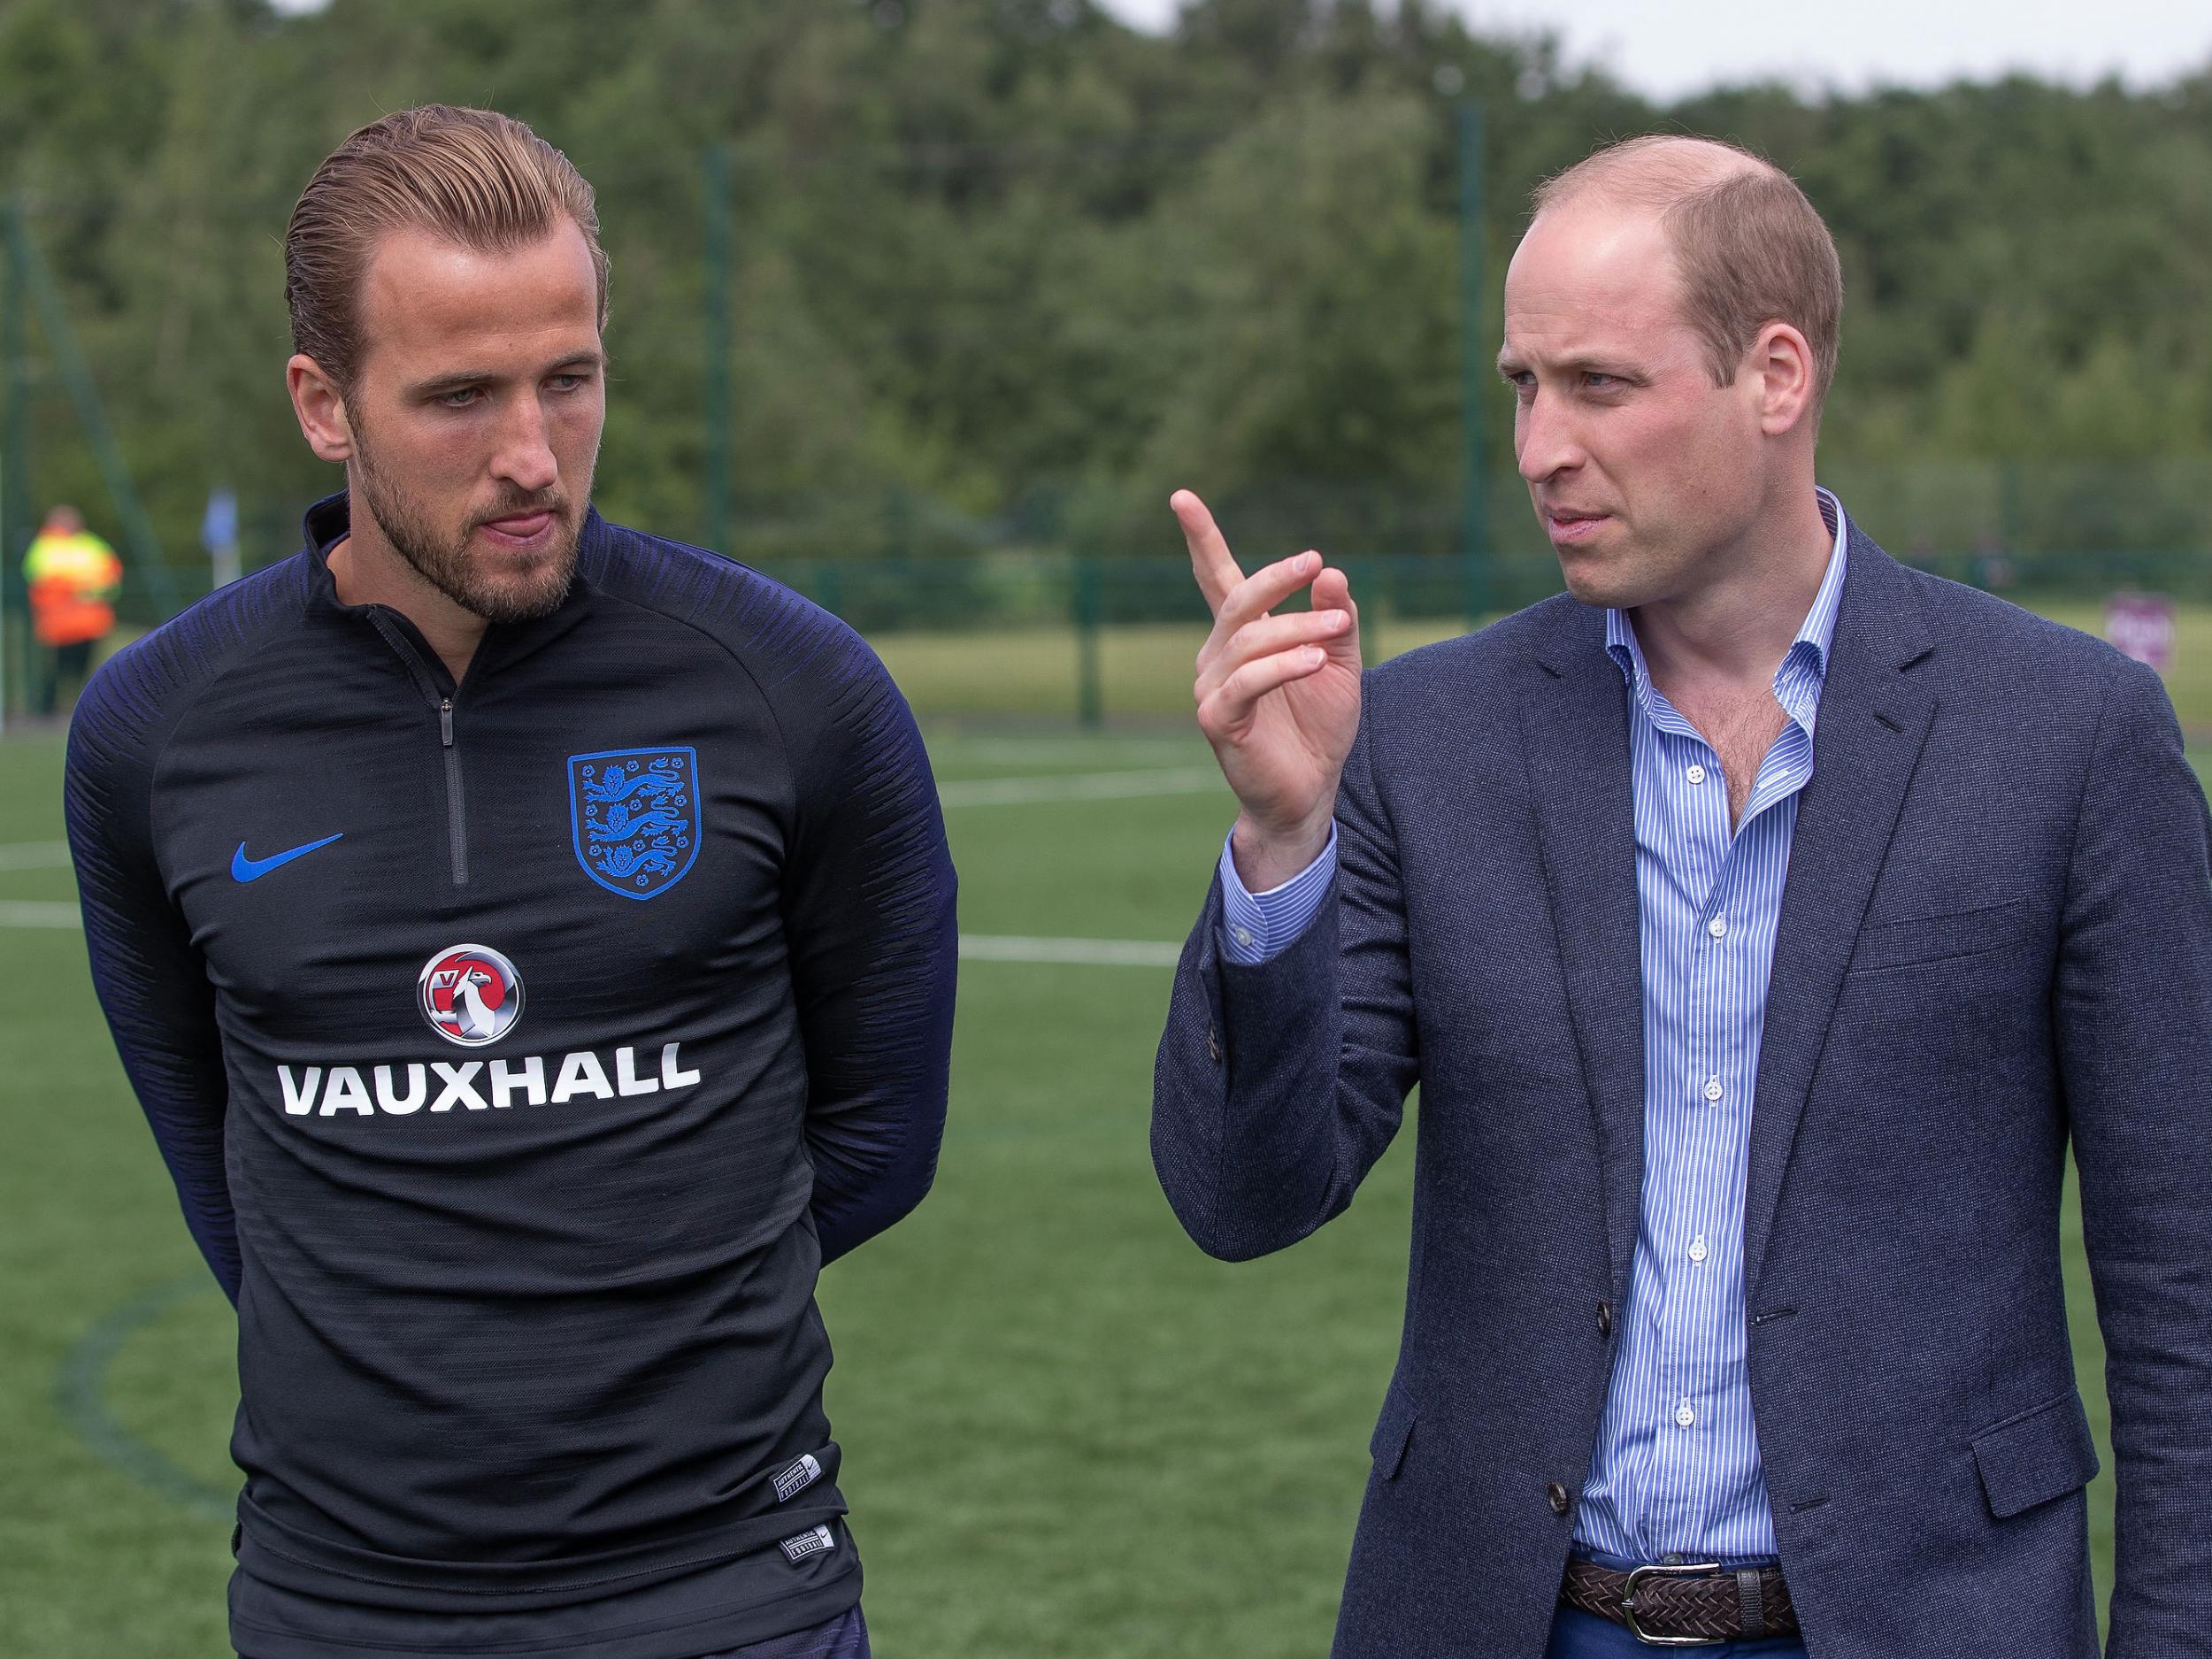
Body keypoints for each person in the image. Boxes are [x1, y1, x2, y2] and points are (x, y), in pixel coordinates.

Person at [1152, 134, 2212, 1658]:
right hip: (1507, 1619)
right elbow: (1244, 1202)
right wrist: (1280, 845)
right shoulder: (1427, 736)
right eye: (1523, 386)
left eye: (1598, 384)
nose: (1538, 448)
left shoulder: (2069, 736)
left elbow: (2182, 1281)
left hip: (1925, 1623)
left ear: (1774, 376)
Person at [65, 105, 956, 1659]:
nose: (532, 456)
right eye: (460, 397)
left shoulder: (795, 693)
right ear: (322, 404)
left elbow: (879, 1139)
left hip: (734, 1594)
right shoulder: (159, 734)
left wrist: (659, 1308)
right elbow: (230, 1173)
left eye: (571, 378)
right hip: (341, 1606)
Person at [23, 503, 121, 716]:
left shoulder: (91, 544)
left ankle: (86, 710)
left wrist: (83, 587)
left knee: (87, 670)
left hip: (90, 622)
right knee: (56, 669)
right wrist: (78, 585)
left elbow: (111, 576)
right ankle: (45, 711)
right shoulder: (45, 545)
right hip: (59, 623)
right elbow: (41, 580)